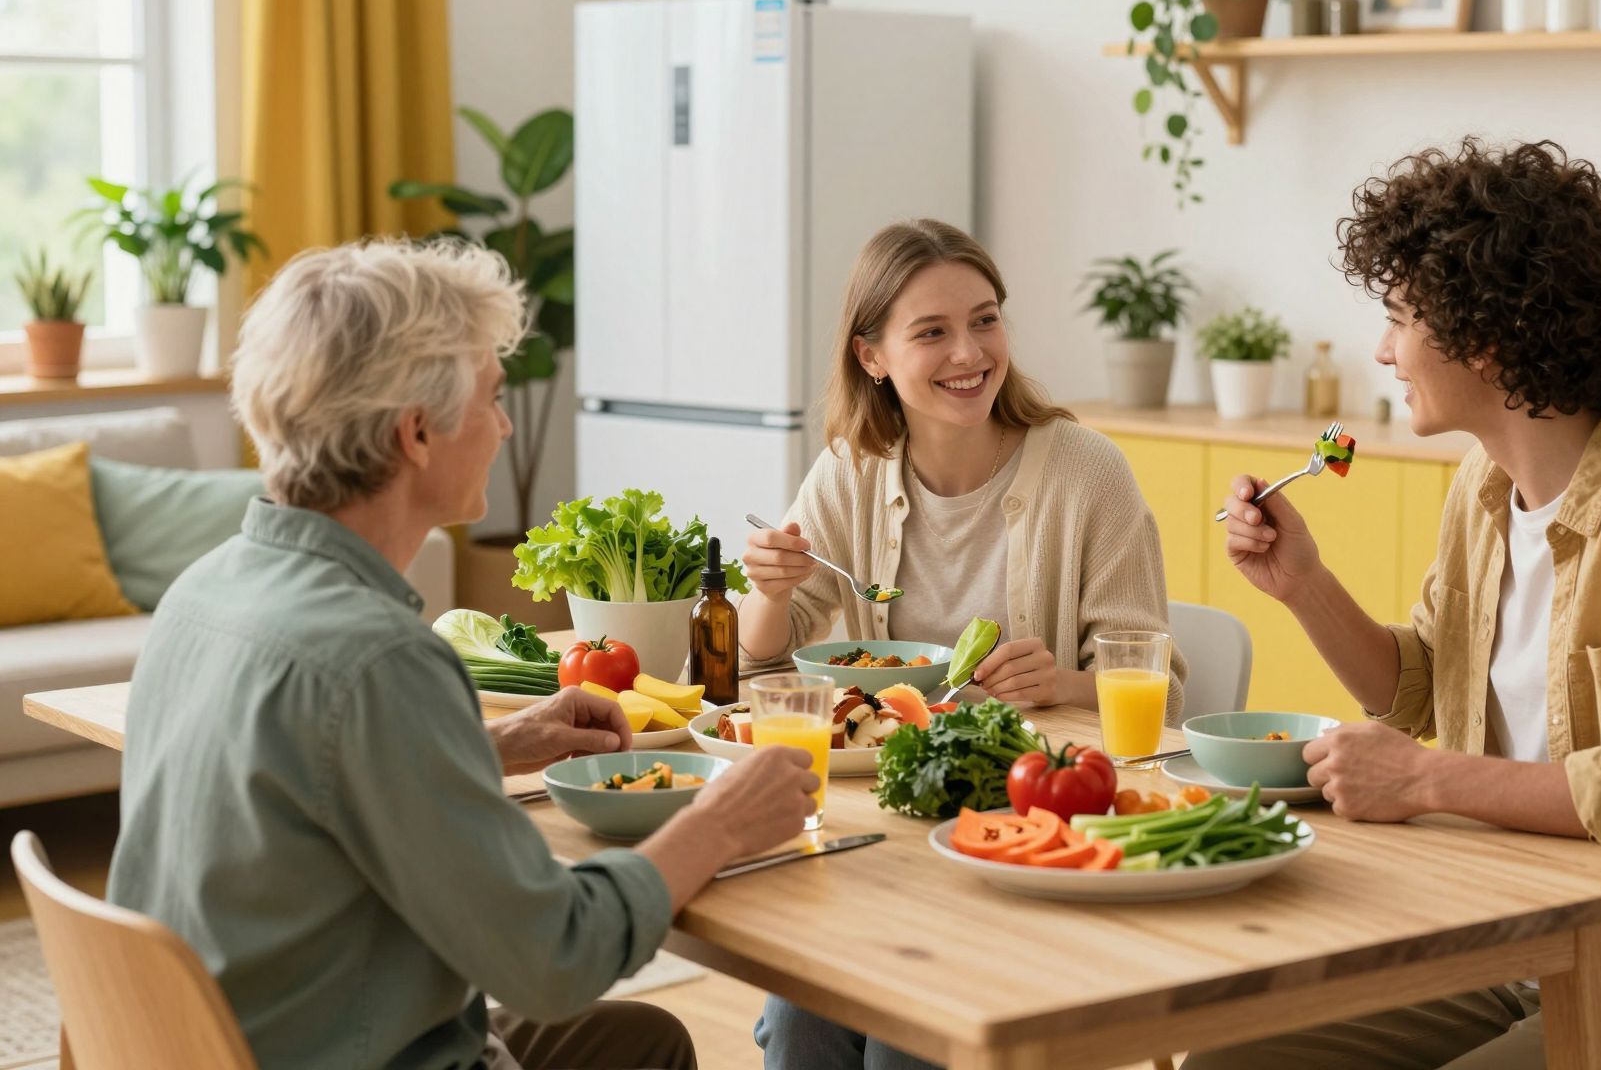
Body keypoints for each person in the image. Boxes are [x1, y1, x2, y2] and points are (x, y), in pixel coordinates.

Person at [1192, 140, 1601, 1070]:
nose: (1382, 349)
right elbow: (1423, 690)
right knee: (1230, 1064)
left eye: (1400, 317)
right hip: (1501, 952)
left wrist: (1423, 780)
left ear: (1484, 339)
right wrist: (1304, 586)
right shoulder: (1482, 486)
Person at [107, 240, 819, 1070]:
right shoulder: (377, 659)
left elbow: (303, 786)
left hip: (231, 1043)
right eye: (493, 396)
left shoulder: (202, 592)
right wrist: (718, 824)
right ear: (416, 432)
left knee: (643, 1042)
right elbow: (557, 957)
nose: (507, 425)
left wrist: (489, 748)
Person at [741, 219, 1186, 1069]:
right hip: (889, 831)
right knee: (799, 1025)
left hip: (1032, 835)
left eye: (985, 320)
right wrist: (770, 593)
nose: (969, 353)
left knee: (905, 1051)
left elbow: (1158, 683)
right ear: (872, 355)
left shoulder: (1086, 472)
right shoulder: (854, 471)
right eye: (933, 332)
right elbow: (764, 670)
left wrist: (1063, 682)